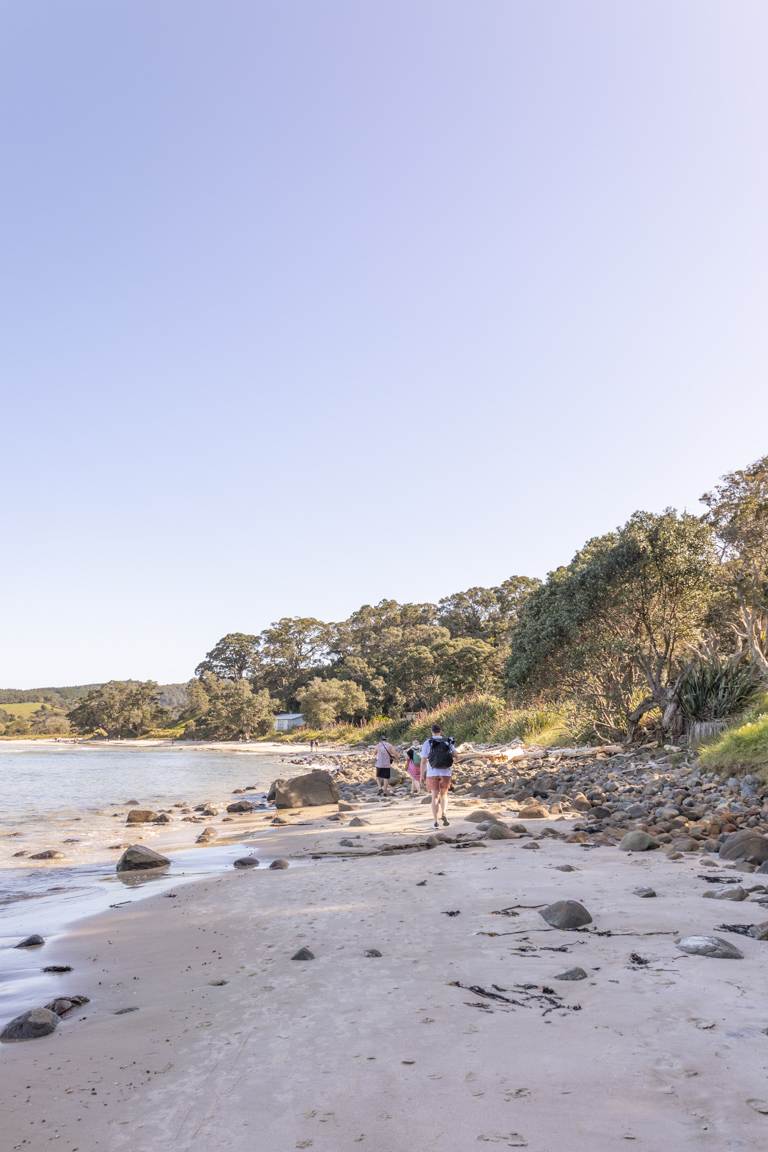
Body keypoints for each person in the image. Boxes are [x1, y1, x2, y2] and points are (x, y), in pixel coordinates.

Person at [420, 723, 455, 828]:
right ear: (441, 731)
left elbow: (423, 760)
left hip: (432, 773)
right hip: (446, 772)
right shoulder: (448, 741)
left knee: (434, 797)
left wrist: (422, 775)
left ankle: (435, 822)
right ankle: (444, 813)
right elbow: (456, 755)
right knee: (444, 795)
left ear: (432, 732)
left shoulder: (428, 742)